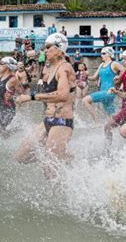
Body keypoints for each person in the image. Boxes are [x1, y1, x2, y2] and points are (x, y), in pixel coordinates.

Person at [15, 33, 76, 180]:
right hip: (47, 120)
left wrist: (31, 97)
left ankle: (62, 197)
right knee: (21, 156)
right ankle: (64, 157)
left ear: (59, 48)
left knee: (50, 169)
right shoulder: (49, 69)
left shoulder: (65, 68)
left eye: (48, 47)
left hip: (62, 122)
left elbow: (62, 95)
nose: (44, 51)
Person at [104, 49, 126, 147]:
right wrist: (116, 82)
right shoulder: (125, 71)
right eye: (122, 59)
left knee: (108, 126)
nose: (123, 61)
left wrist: (116, 91)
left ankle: (108, 150)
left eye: (125, 59)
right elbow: (118, 85)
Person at [0, 57, 23, 151]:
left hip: (8, 110)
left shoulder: (12, 80)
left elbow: (22, 95)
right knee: (3, 134)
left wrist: (13, 97)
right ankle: (16, 130)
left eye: (2, 63)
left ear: (8, 66)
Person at [83, 47, 125, 121]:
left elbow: (124, 70)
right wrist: (86, 77)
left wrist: (119, 77)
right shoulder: (101, 65)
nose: (101, 55)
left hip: (109, 92)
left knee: (85, 100)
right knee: (111, 116)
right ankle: (118, 124)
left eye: (103, 53)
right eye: (101, 53)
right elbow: (94, 77)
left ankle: (96, 120)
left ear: (109, 54)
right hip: (103, 91)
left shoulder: (113, 64)